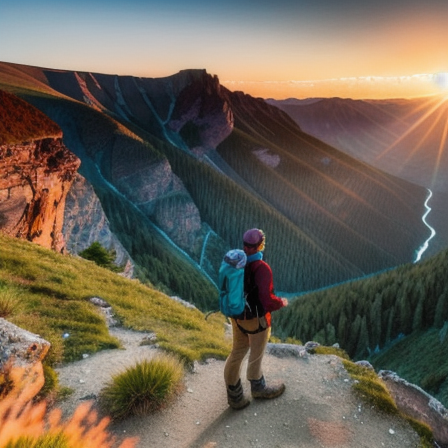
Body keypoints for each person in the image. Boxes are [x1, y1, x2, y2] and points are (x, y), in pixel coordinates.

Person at [224, 228, 288, 410]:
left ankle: (235, 397)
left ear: (245, 245)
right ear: (260, 245)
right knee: (256, 353)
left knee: (237, 352)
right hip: (255, 319)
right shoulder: (261, 268)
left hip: (236, 317)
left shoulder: (236, 262)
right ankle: (258, 387)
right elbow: (266, 299)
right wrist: (280, 302)